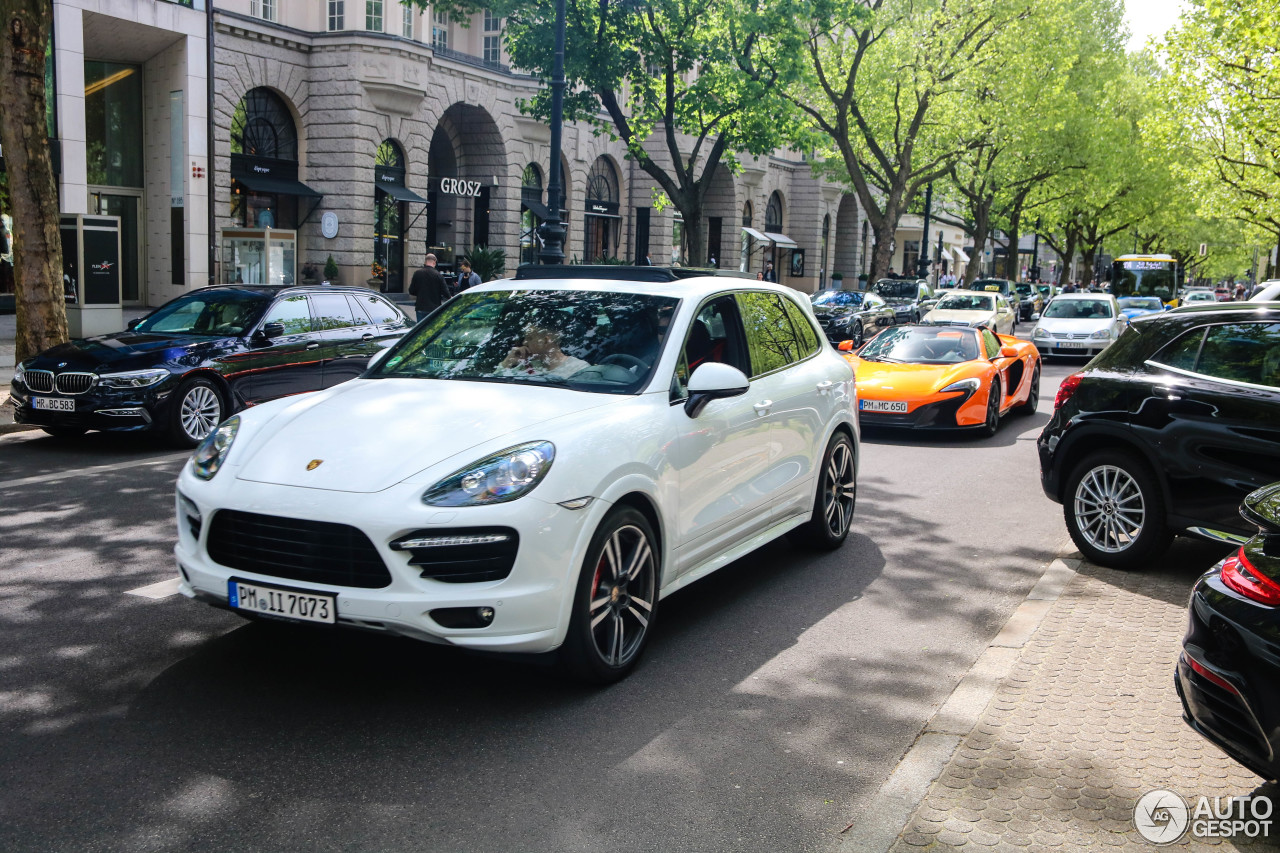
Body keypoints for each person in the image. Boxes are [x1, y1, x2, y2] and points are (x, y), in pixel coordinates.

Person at [498, 317, 589, 379]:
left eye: (529, 338)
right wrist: (508, 361)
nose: (524, 342)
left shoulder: (578, 369)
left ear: (546, 341)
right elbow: (495, 382)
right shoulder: (527, 366)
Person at [408, 253, 450, 321]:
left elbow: (411, 291)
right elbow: (446, 292)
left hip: (420, 306)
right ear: (434, 262)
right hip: (434, 308)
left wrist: (420, 293)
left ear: (425, 262)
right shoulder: (438, 275)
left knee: (421, 329)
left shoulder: (417, 273)